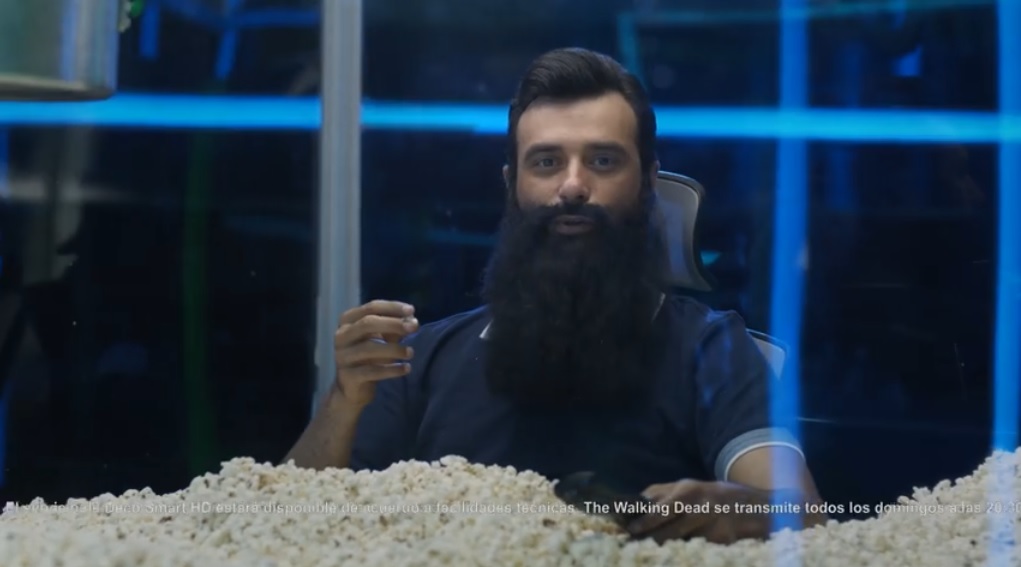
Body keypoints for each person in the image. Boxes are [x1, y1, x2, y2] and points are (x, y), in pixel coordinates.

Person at [285, 47, 826, 544]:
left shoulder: (713, 350)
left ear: (647, 182)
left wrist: (735, 509)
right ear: (512, 184)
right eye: (546, 162)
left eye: (603, 161)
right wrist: (343, 400)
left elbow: (807, 514)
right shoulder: (422, 359)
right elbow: (281, 517)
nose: (572, 186)